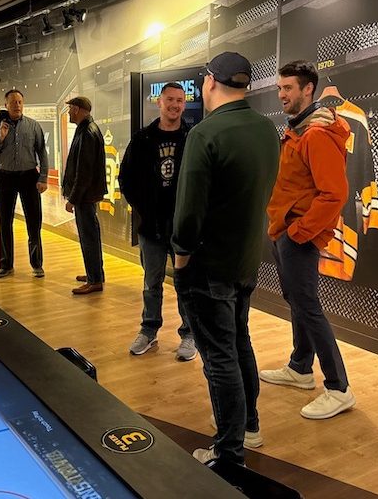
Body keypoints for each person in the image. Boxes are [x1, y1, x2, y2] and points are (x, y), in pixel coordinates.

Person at [171, 52, 279, 465]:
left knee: (219, 359)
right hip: (246, 260)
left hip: (208, 265)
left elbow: (189, 213)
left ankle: (229, 452)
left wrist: (181, 261)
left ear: (209, 82)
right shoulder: (267, 129)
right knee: (239, 343)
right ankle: (249, 426)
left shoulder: (205, 134)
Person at [261, 60, 356, 420]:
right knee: (298, 302)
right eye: (280, 88)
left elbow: (335, 194)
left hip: (298, 234)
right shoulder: (298, 130)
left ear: (307, 90)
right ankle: (301, 367)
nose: (281, 94)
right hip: (286, 231)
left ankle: (339, 387)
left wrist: (299, 233)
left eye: (288, 88)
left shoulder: (316, 135)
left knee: (309, 307)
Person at [118, 82, 196, 361]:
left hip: (183, 228)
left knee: (185, 283)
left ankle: (189, 335)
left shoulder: (193, 137)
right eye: (170, 100)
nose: (175, 105)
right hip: (151, 228)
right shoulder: (143, 139)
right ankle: (149, 330)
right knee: (152, 283)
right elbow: (125, 178)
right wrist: (144, 209)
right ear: (159, 102)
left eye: (180, 100)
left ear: (184, 104)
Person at [0, 89, 48, 278]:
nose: (17, 105)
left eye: (19, 102)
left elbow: (42, 152)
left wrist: (43, 177)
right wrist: (0, 138)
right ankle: (6, 265)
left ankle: (37, 264)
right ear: (6, 105)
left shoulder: (33, 126)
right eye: (13, 102)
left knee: (34, 223)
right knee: (5, 222)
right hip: (5, 177)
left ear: (23, 104)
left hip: (29, 177)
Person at [61, 96, 107, 295]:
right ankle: (95, 274)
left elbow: (84, 171)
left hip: (85, 196)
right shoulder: (88, 129)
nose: (69, 112)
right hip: (87, 195)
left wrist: (73, 198)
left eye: (70, 108)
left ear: (78, 109)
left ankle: (94, 280)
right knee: (91, 235)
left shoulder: (87, 132)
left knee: (88, 236)